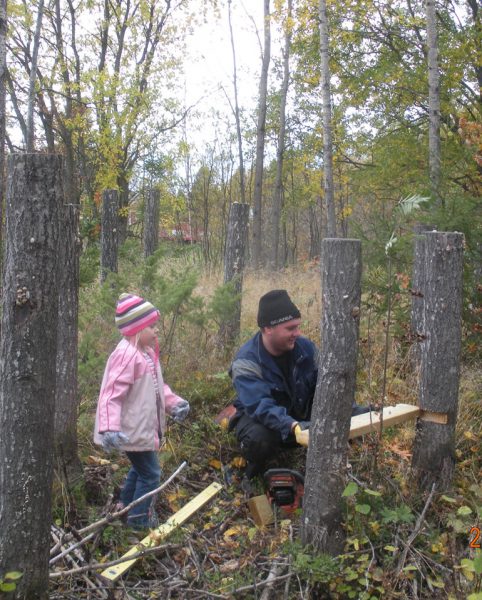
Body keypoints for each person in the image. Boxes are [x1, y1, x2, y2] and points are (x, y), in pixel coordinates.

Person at [229, 289, 369, 480]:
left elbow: (328, 387)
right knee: (259, 439)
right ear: (268, 328)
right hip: (270, 423)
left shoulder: (306, 348)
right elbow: (260, 406)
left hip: (301, 415)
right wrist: (292, 425)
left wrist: (347, 411)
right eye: (290, 328)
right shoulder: (246, 362)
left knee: (363, 414)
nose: (297, 333)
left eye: (297, 326)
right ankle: (254, 472)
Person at [94, 293, 190, 529]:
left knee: (140, 471)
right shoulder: (126, 356)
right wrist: (109, 429)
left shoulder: (145, 353)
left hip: (145, 429)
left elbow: (157, 388)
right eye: (152, 326)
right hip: (131, 431)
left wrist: (174, 403)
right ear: (137, 329)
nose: (156, 331)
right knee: (151, 474)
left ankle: (125, 508)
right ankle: (139, 520)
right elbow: (111, 394)